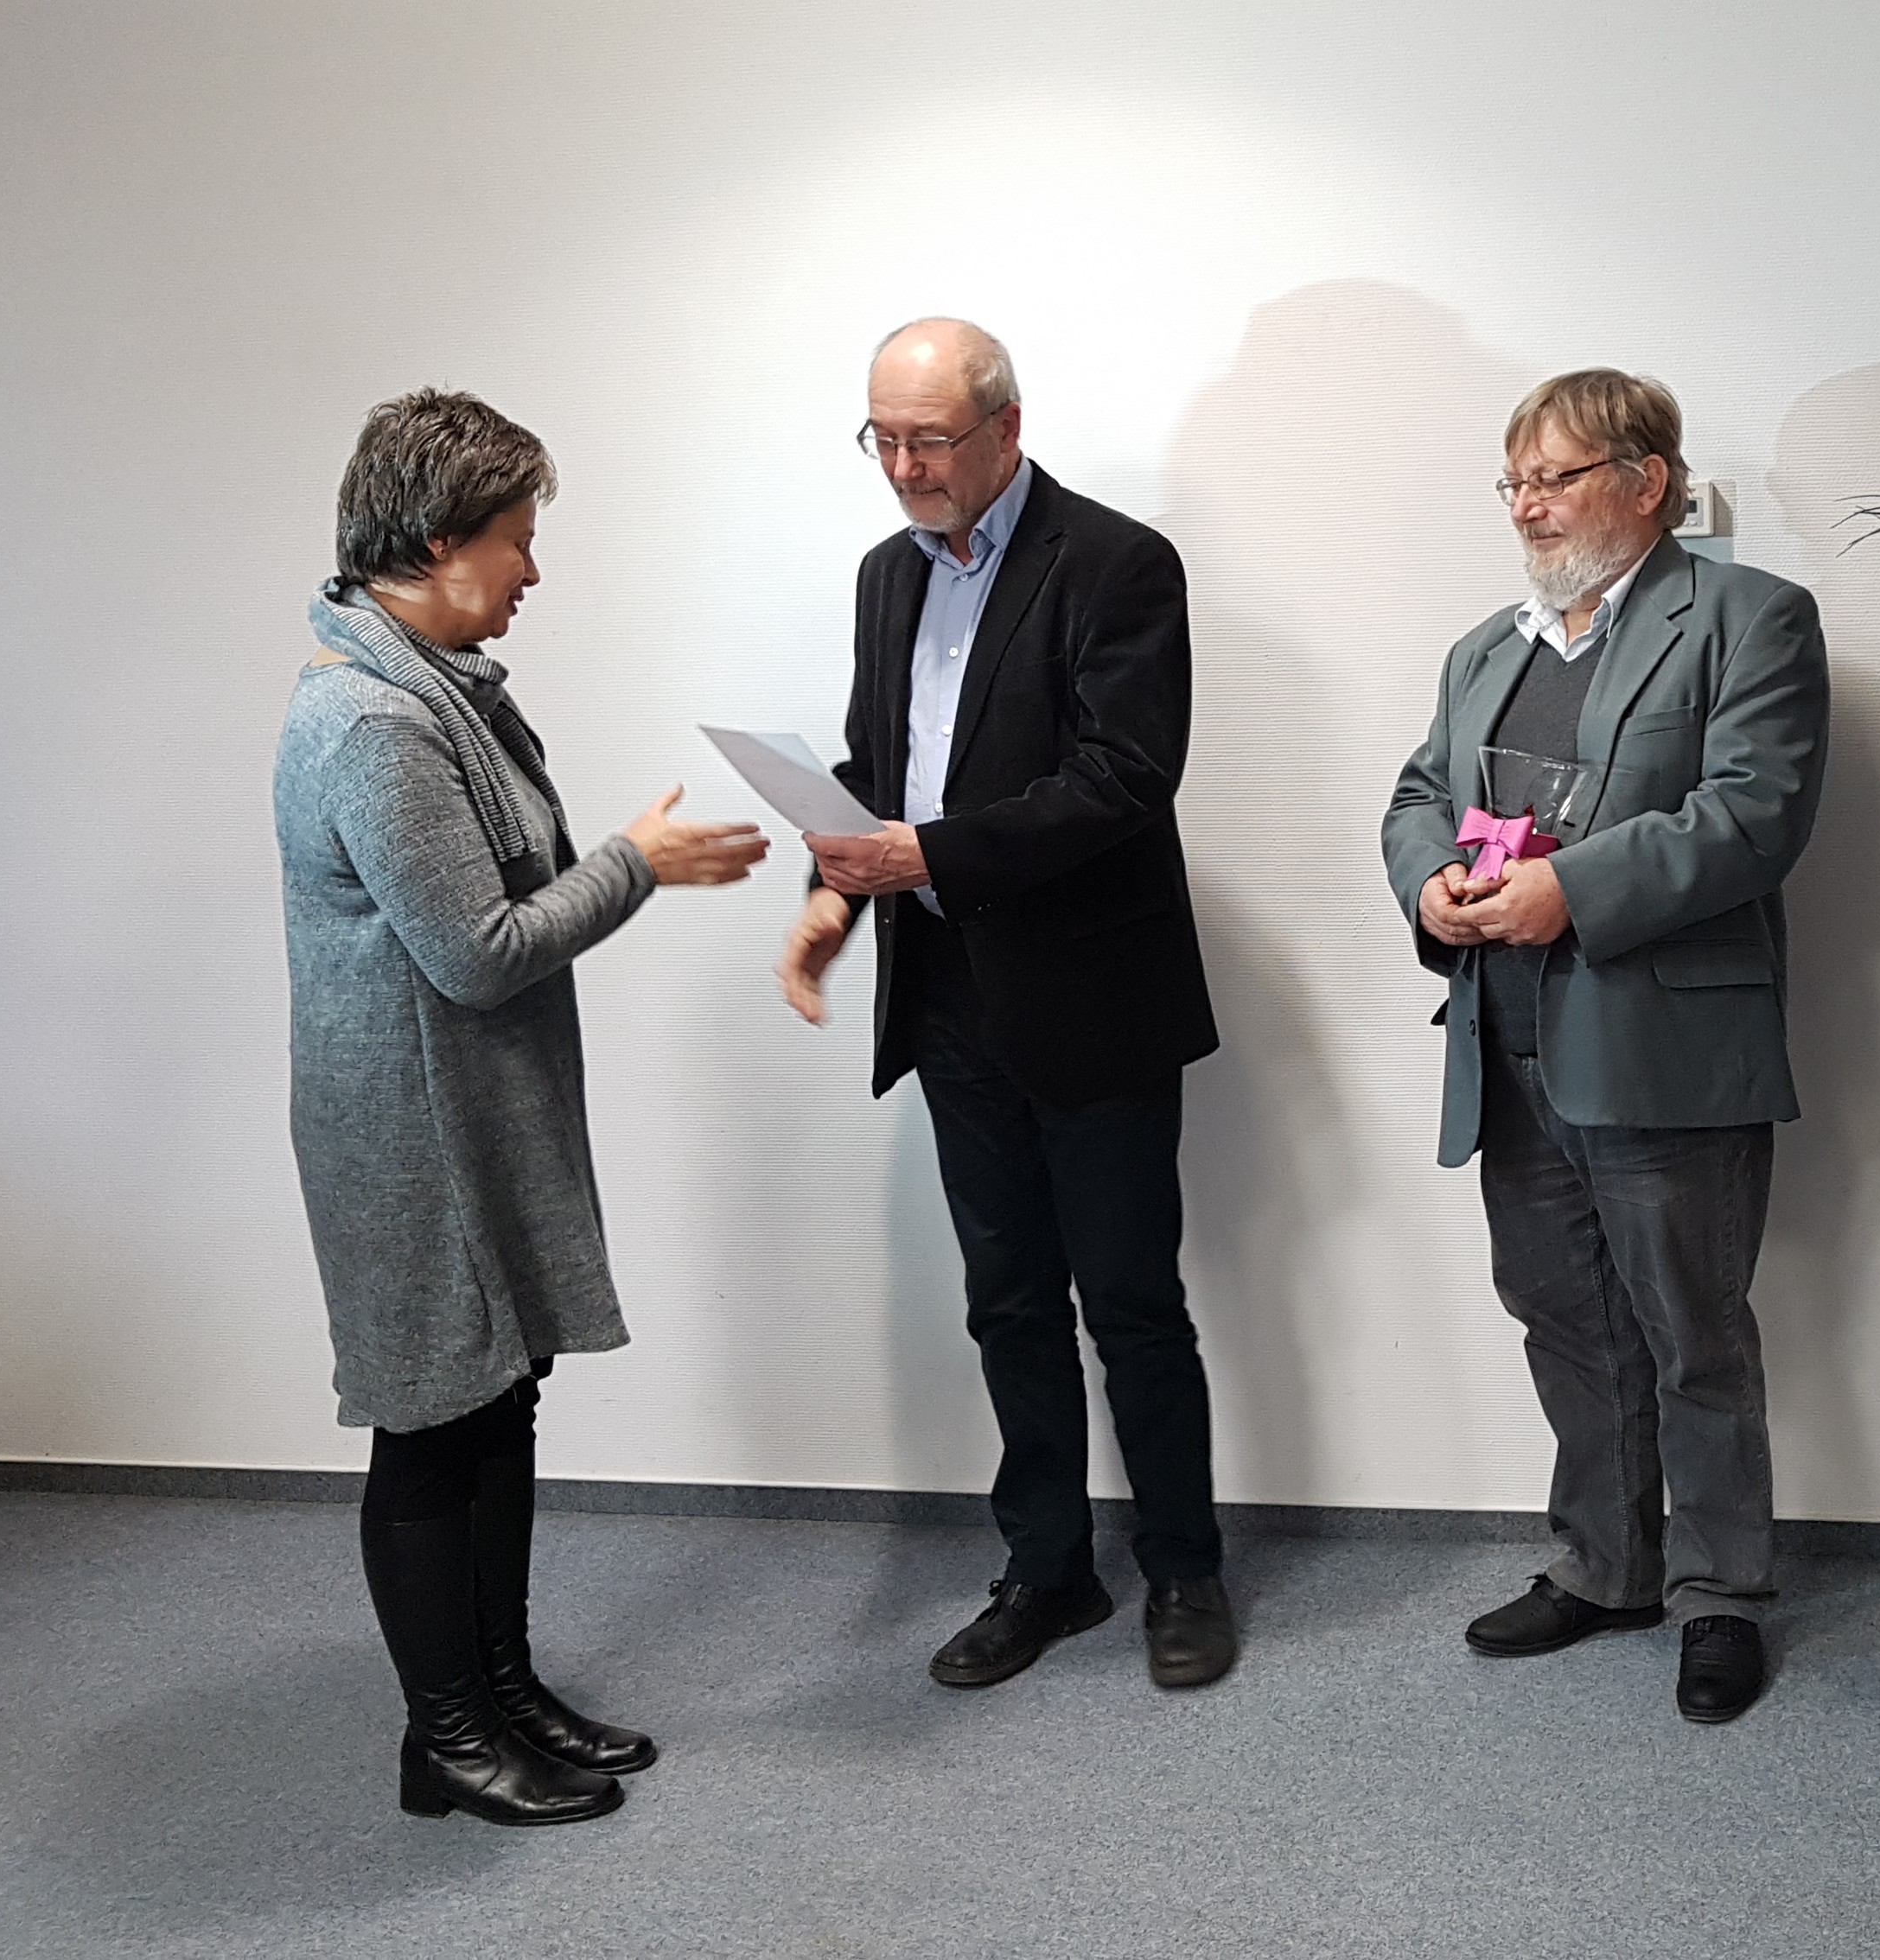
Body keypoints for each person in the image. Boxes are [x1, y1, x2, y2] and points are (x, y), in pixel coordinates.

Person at [277, 390, 768, 1825]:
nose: (532, 571)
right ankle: (446, 1738)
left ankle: (501, 1690)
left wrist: (621, 866)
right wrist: (636, 864)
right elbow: (477, 953)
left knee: (500, 1398)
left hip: (472, 1114)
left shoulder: (437, 690)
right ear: (439, 541)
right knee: (435, 1421)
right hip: (412, 1138)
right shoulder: (373, 722)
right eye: (515, 539)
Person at [774, 319, 1234, 1693]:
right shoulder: (886, 576)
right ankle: (1048, 1569)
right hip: (948, 996)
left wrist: (923, 854)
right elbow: (880, 763)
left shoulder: (1117, 563)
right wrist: (834, 896)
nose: (904, 468)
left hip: (1092, 996)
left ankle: (1185, 1568)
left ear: (1006, 429)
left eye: (930, 440)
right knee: (1009, 1302)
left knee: (1132, 1302)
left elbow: (1123, 777)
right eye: (883, 440)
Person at [1382, 369, 1831, 1723]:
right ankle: (1606, 1566)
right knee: (1566, 1320)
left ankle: (1720, 1596)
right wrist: (1429, 885)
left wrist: (1570, 891)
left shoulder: (1750, 618)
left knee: (1693, 1333)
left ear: (1648, 482)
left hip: (1662, 1043)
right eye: (1515, 481)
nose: (1529, 505)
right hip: (1507, 1038)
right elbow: (1419, 796)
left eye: (1557, 477)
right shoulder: (1487, 649)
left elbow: (1753, 815)